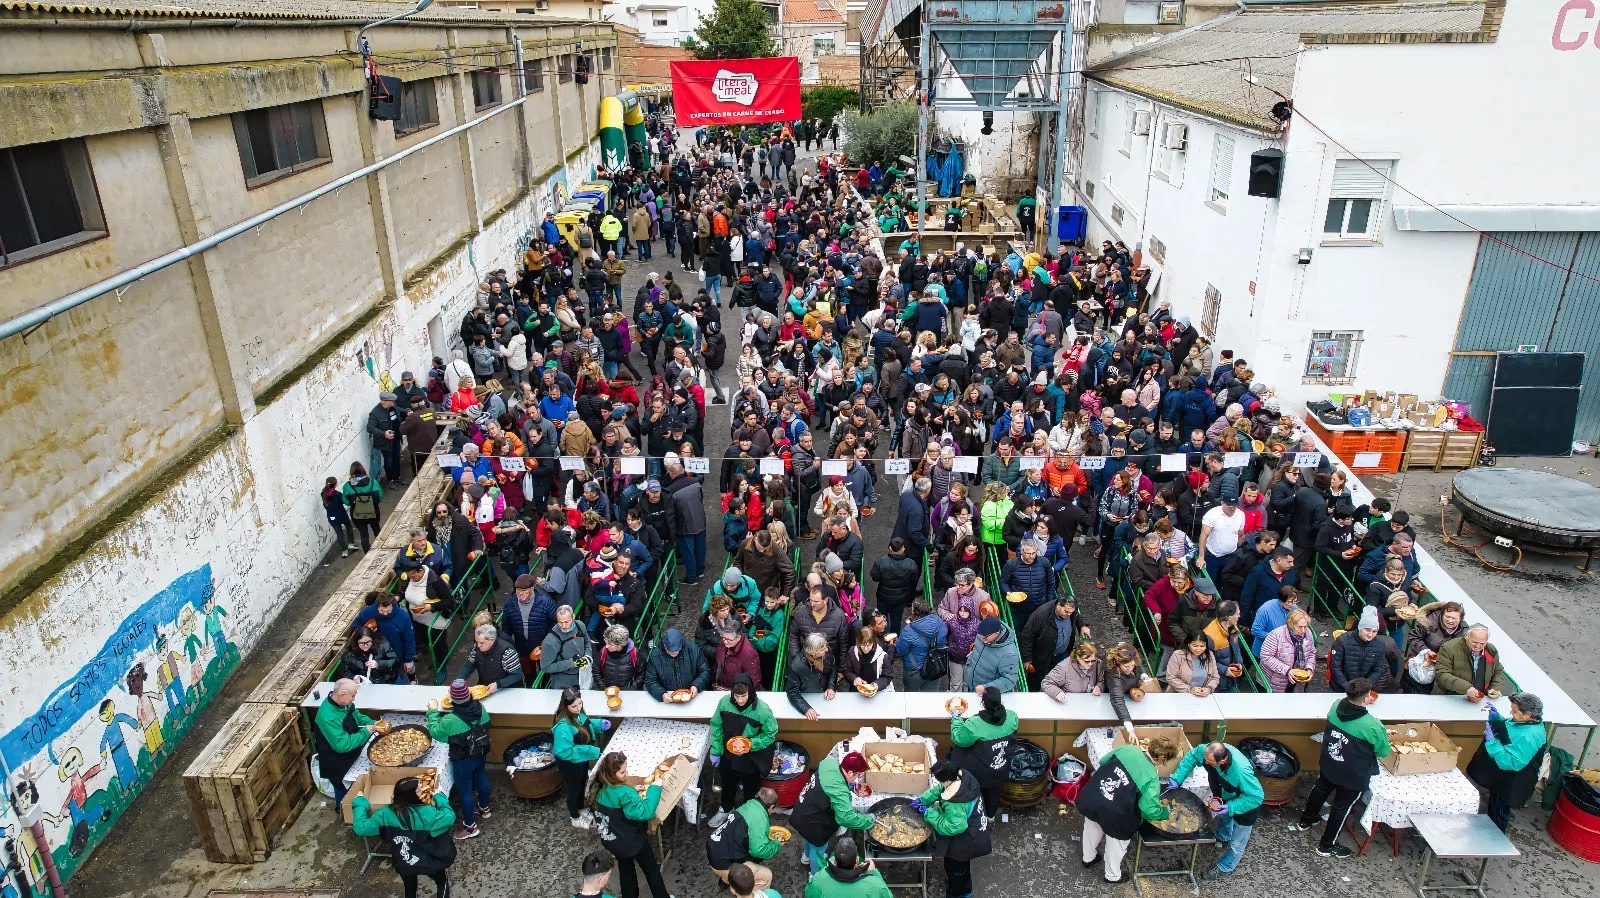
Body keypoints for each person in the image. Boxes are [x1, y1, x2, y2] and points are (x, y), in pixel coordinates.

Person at [1291, 678, 1391, 858]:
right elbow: (1383, 752)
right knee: (1341, 807)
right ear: (1367, 699)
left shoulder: (1335, 705)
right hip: (1352, 774)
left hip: (1330, 762)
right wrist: (1383, 734)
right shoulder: (1374, 725)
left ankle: (1306, 820)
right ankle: (1326, 845)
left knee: (1321, 788)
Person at [1076, 737, 1175, 883]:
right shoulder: (1151, 777)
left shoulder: (1128, 749)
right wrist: (1165, 812)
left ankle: (1088, 858)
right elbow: (1148, 809)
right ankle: (1112, 876)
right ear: (1164, 760)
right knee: (1116, 843)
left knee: (1092, 825)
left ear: (1150, 746)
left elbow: (1103, 761)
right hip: (1117, 813)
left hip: (1097, 796)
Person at [350, 774, 456, 898]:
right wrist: (439, 796)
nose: (424, 789)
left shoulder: (385, 814)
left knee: (409, 887)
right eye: (420, 790)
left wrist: (360, 803)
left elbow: (361, 829)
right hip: (430, 860)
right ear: (415, 797)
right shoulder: (430, 814)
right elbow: (450, 816)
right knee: (441, 882)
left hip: (404, 862)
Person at [1169, 742, 1263, 879]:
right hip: (1224, 793)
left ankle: (1226, 867)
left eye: (1210, 762)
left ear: (1223, 760)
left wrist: (1231, 807)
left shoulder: (1241, 772)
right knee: (1224, 818)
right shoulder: (1208, 751)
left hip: (1246, 805)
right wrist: (1178, 777)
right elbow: (1193, 756)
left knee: (1237, 842)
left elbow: (1256, 796)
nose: (1206, 763)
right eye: (1206, 759)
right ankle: (1223, 837)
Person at [590, 752, 673, 898]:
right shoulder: (624, 792)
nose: (626, 773)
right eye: (622, 772)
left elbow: (615, 800)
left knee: (626, 869)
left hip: (614, 841)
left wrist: (632, 790)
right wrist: (655, 788)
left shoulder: (597, 789)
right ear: (611, 774)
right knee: (651, 869)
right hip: (633, 841)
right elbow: (646, 812)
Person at [1467, 692, 1548, 832]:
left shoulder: (1529, 736)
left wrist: (1492, 743)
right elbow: (1511, 729)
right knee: (1493, 803)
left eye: (1515, 712)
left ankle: (1495, 838)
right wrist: (1497, 718)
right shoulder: (1525, 722)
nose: (1511, 713)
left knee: (1499, 812)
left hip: (1512, 782)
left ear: (1528, 715)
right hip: (1502, 776)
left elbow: (1511, 763)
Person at [708, 674, 780, 824]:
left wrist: (750, 744)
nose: (740, 700)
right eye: (737, 696)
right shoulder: (724, 703)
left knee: (751, 789)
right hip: (728, 753)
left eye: (744, 696)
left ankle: (748, 816)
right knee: (727, 783)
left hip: (751, 757)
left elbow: (770, 734)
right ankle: (726, 808)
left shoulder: (762, 710)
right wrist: (716, 749)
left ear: (751, 692)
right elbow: (716, 726)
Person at [426, 679, 493, 840]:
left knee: (465, 792)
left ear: (452, 699)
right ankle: (485, 808)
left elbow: (436, 733)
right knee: (481, 778)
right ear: (469, 695)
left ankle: (470, 827)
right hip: (480, 752)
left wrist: (432, 712)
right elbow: (487, 725)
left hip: (463, 760)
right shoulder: (481, 708)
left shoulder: (451, 719)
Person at [791, 752, 876, 875]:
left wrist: (849, 785)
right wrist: (869, 820)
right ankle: (815, 875)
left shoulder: (829, 764)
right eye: (858, 774)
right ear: (850, 772)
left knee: (807, 837)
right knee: (818, 850)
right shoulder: (839, 791)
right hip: (815, 822)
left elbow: (831, 782)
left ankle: (806, 856)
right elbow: (846, 818)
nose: (858, 777)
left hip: (802, 810)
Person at [916, 761, 992, 898]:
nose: (940, 783)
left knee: (957, 869)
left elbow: (951, 827)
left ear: (947, 780)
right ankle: (958, 883)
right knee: (958, 868)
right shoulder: (962, 777)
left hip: (968, 840)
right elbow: (940, 788)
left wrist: (928, 813)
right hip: (974, 825)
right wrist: (923, 799)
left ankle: (960, 893)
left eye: (940, 781)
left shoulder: (955, 804)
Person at [949, 687, 1018, 817]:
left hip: (980, 772)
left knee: (975, 794)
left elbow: (959, 738)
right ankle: (990, 816)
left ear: (983, 703)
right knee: (994, 790)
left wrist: (956, 718)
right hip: (1001, 768)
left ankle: (977, 818)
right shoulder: (1012, 716)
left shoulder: (975, 724)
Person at [706, 786, 784, 892]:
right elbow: (759, 850)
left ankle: (727, 880)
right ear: (772, 806)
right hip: (723, 863)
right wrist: (777, 844)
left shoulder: (748, 805)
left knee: (743, 850)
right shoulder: (759, 818)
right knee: (766, 876)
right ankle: (747, 892)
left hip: (714, 849)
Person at [313, 678, 377, 805]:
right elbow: (342, 745)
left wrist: (373, 723)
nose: (354, 699)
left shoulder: (344, 703)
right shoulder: (328, 716)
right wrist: (366, 732)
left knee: (357, 788)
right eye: (352, 696)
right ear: (342, 694)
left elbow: (357, 716)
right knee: (342, 789)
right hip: (336, 761)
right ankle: (342, 808)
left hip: (353, 752)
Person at [552, 686, 608, 829]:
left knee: (582, 782)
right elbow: (565, 751)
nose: (578, 708)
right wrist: (590, 751)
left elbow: (586, 724)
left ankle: (580, 808)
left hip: (581, 760)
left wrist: (599, 724)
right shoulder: (562, 727)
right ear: (565, 706)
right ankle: (575, 817)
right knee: (573, 790)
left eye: (580, 703)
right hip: (570, 764)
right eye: (574, 706)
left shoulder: (578, 714)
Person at [1021, 595, 1091, 692]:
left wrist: (1082, 625)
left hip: (1062, 654)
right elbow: (1027, 636)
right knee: (1037, 680)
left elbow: (1076, 616)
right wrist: (1027, 658)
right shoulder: (1040, 615)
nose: (1069, 615)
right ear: (1058, 606)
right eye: (1066, 611)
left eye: (1071, 612)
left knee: (1060, 678)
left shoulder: (1071, 611)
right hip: (1042, 656)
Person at [353, 592, 417, 684]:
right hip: (375, 655)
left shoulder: (403, 616)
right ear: (377, 606)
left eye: (389, 610)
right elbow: (357, 627)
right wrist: (365, 631)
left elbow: (409, 639)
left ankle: (412, 681)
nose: (386, 614)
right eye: (382, 611)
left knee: (402, 677)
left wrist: (408, 659)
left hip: (397, 656)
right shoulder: (367, 613)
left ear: (393, 605)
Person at [1432, 624, 1510, 699]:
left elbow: (1498, 671)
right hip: (1450, 696)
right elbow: (1442, 674)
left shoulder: (1491, 650)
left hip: (1480, 698)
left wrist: (1495, 688)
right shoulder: (1448, 648)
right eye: (1474, 642)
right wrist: (1466, 688)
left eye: (1482, 643)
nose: (1478, 646)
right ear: (1466, 636)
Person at [1329, 607, 1396, 693]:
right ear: (1360, 627)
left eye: (1374, 631)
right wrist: (1347, 687)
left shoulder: (1380, 644)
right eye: (1367, 630)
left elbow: (1379, 669)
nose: (1370, 635)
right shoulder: (1342, 640)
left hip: (1363, 690)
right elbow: (1335, 667)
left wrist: (1366, 685)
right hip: (1340, 688)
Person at [803, 836, 892, 898]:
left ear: (835, 861)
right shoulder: (874, 885)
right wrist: (873, 872)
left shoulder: (819, 879)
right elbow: (887, 895)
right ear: (857, 861)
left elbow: (809, 894)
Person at [896, 599, 950, 693]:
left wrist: (896, 642)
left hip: (914, 670)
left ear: (914, 611)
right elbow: (942, 643)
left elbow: (901, 651)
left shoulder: (908, 630)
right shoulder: (940, 623)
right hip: (934, 667)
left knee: (911, 698)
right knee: (930, 698)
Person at [869, 538, 921, 632]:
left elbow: (875, 577)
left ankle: (883, 635)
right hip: (901, 597)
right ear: (903, 548)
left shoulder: (881, 562)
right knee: (897, 618)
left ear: (890, 548)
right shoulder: (911, 564)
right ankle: (895, 637)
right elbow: (913, 580)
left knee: (882, 616)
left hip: (883, 596)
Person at [643, 628, 709, 701]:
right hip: (668, 695)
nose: (674, 653)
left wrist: (697, 685)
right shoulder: (655, 655)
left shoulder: (693, 650)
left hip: (691, 696)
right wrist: (661, 694)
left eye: (677, 650)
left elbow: (705, 671)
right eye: (670, 650)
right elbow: (650, 681)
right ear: (664, 645)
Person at [456, 623, 525, 692]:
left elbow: (517, 675)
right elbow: (468, 666)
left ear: (492, 640)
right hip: (485, 688)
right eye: (477, 642)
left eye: (481, 643)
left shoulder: (507, 651)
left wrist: (498, 684)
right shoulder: (476, 648)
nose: (478, 645)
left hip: (506, 690)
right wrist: (459, 680)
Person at [966, 616, 1021, 695]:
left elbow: (1009, 680)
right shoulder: (983, 634)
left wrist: (986, 688)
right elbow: (978, 649)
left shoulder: (1009, 654)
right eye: (980, 635)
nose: (982, 639)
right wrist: (970, 661)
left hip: (988, 694)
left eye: (985, 637)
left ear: (996, 633)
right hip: (973, 686)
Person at [343, 461, 385, 552]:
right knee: (377, 530)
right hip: (373, 511)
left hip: (357, 514)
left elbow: (346, 502)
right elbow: (380, 495)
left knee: (364, 535)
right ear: (363, 470)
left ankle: (367, 555)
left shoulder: (347, 486)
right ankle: (381, 550)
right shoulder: (372, 482)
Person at [1164, 630, 1220, 696]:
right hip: (1179, 695)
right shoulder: (1178, 655)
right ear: (1188, 644)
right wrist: (1190, 689)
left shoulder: (1210, 655)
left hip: (1202, 696)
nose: (1199, 649)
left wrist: (1209, 689)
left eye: (1202, 646)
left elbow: (1215, 677)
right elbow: (1171, 678)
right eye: (1195, 646)